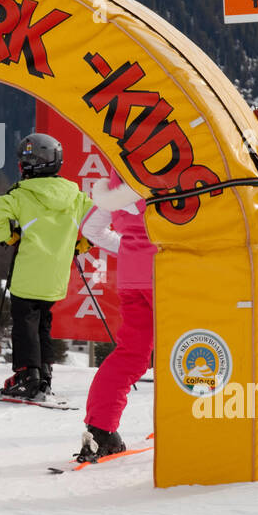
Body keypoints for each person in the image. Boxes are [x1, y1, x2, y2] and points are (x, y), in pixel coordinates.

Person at [0, 133, 93, 401]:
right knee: (43, 323)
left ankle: (27, 377)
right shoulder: (75, 195)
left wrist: (8, 236)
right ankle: (44, 376)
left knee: (24, 324)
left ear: (27, 165)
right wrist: (81, 244)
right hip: (55, 277)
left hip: (27, 275)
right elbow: (98, 218)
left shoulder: (21, 195)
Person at [78, 170, 155, 460]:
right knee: (186, 349)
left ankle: (101, 430)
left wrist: (127, 248)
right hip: (169, 273)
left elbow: (91, 230)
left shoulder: (113, 189)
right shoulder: (170, 176)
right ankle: (183, 423)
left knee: (130, 355)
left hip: (131, 280)